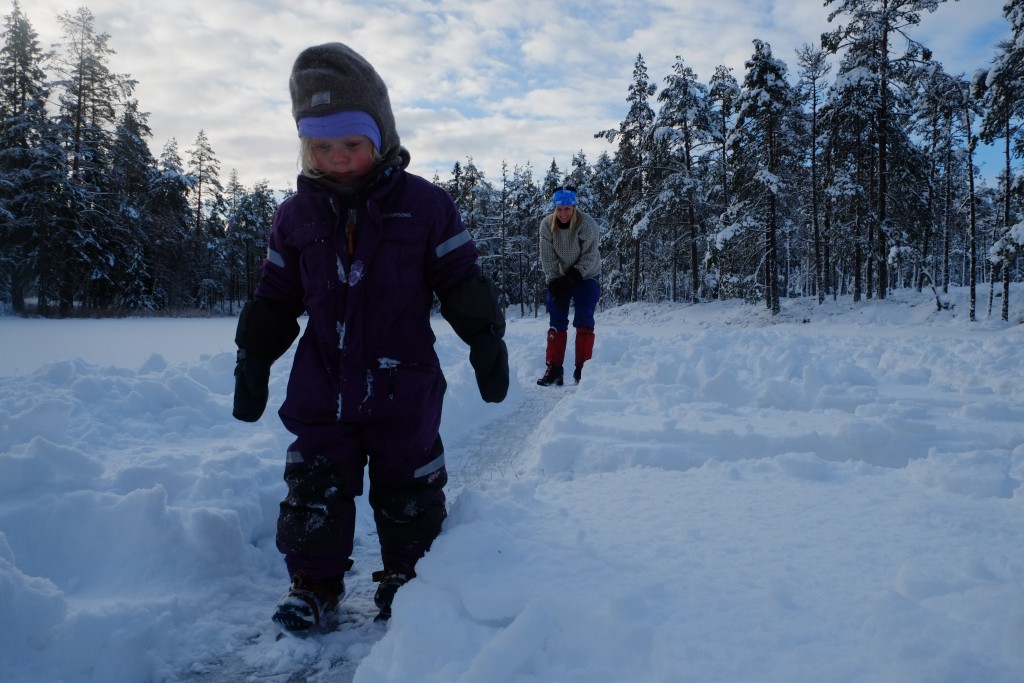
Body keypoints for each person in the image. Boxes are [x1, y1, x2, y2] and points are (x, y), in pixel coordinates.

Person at [231, 42, 509, 632]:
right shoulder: (295, 217)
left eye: (351, 144)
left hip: (402, 379)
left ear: (380, 137)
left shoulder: (426, 206)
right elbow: (277, 297)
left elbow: (459, 279)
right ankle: (313, 585)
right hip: (322, 382)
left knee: (410, 485)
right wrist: (254, 353)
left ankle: (409, 576)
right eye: (321, 146)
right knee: (313, 485)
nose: (338, 159)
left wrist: (485, 338)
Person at [537, 186, 601, 386]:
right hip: (559, 275)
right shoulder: (547, 225)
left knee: (583, 318)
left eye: (567, 208)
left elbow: (590, 254)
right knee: (556, 317)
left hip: (587, 274)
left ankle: (583, 369)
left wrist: (574, 276)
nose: (563, 213)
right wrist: (554, 281)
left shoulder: (586, 224)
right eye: (559, 209)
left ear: (573, 207)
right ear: (554, 209)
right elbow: (547, 257)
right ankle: (554, 367)